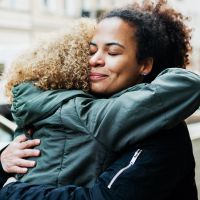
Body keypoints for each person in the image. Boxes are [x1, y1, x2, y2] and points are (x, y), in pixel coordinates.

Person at [0, 0, 200, 199]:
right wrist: (3, 160)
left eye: (112, 52)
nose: (95, 60)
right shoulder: (84, 103)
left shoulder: (162, 128)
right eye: (91, 51)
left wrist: (12, 191)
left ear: (144, 65)